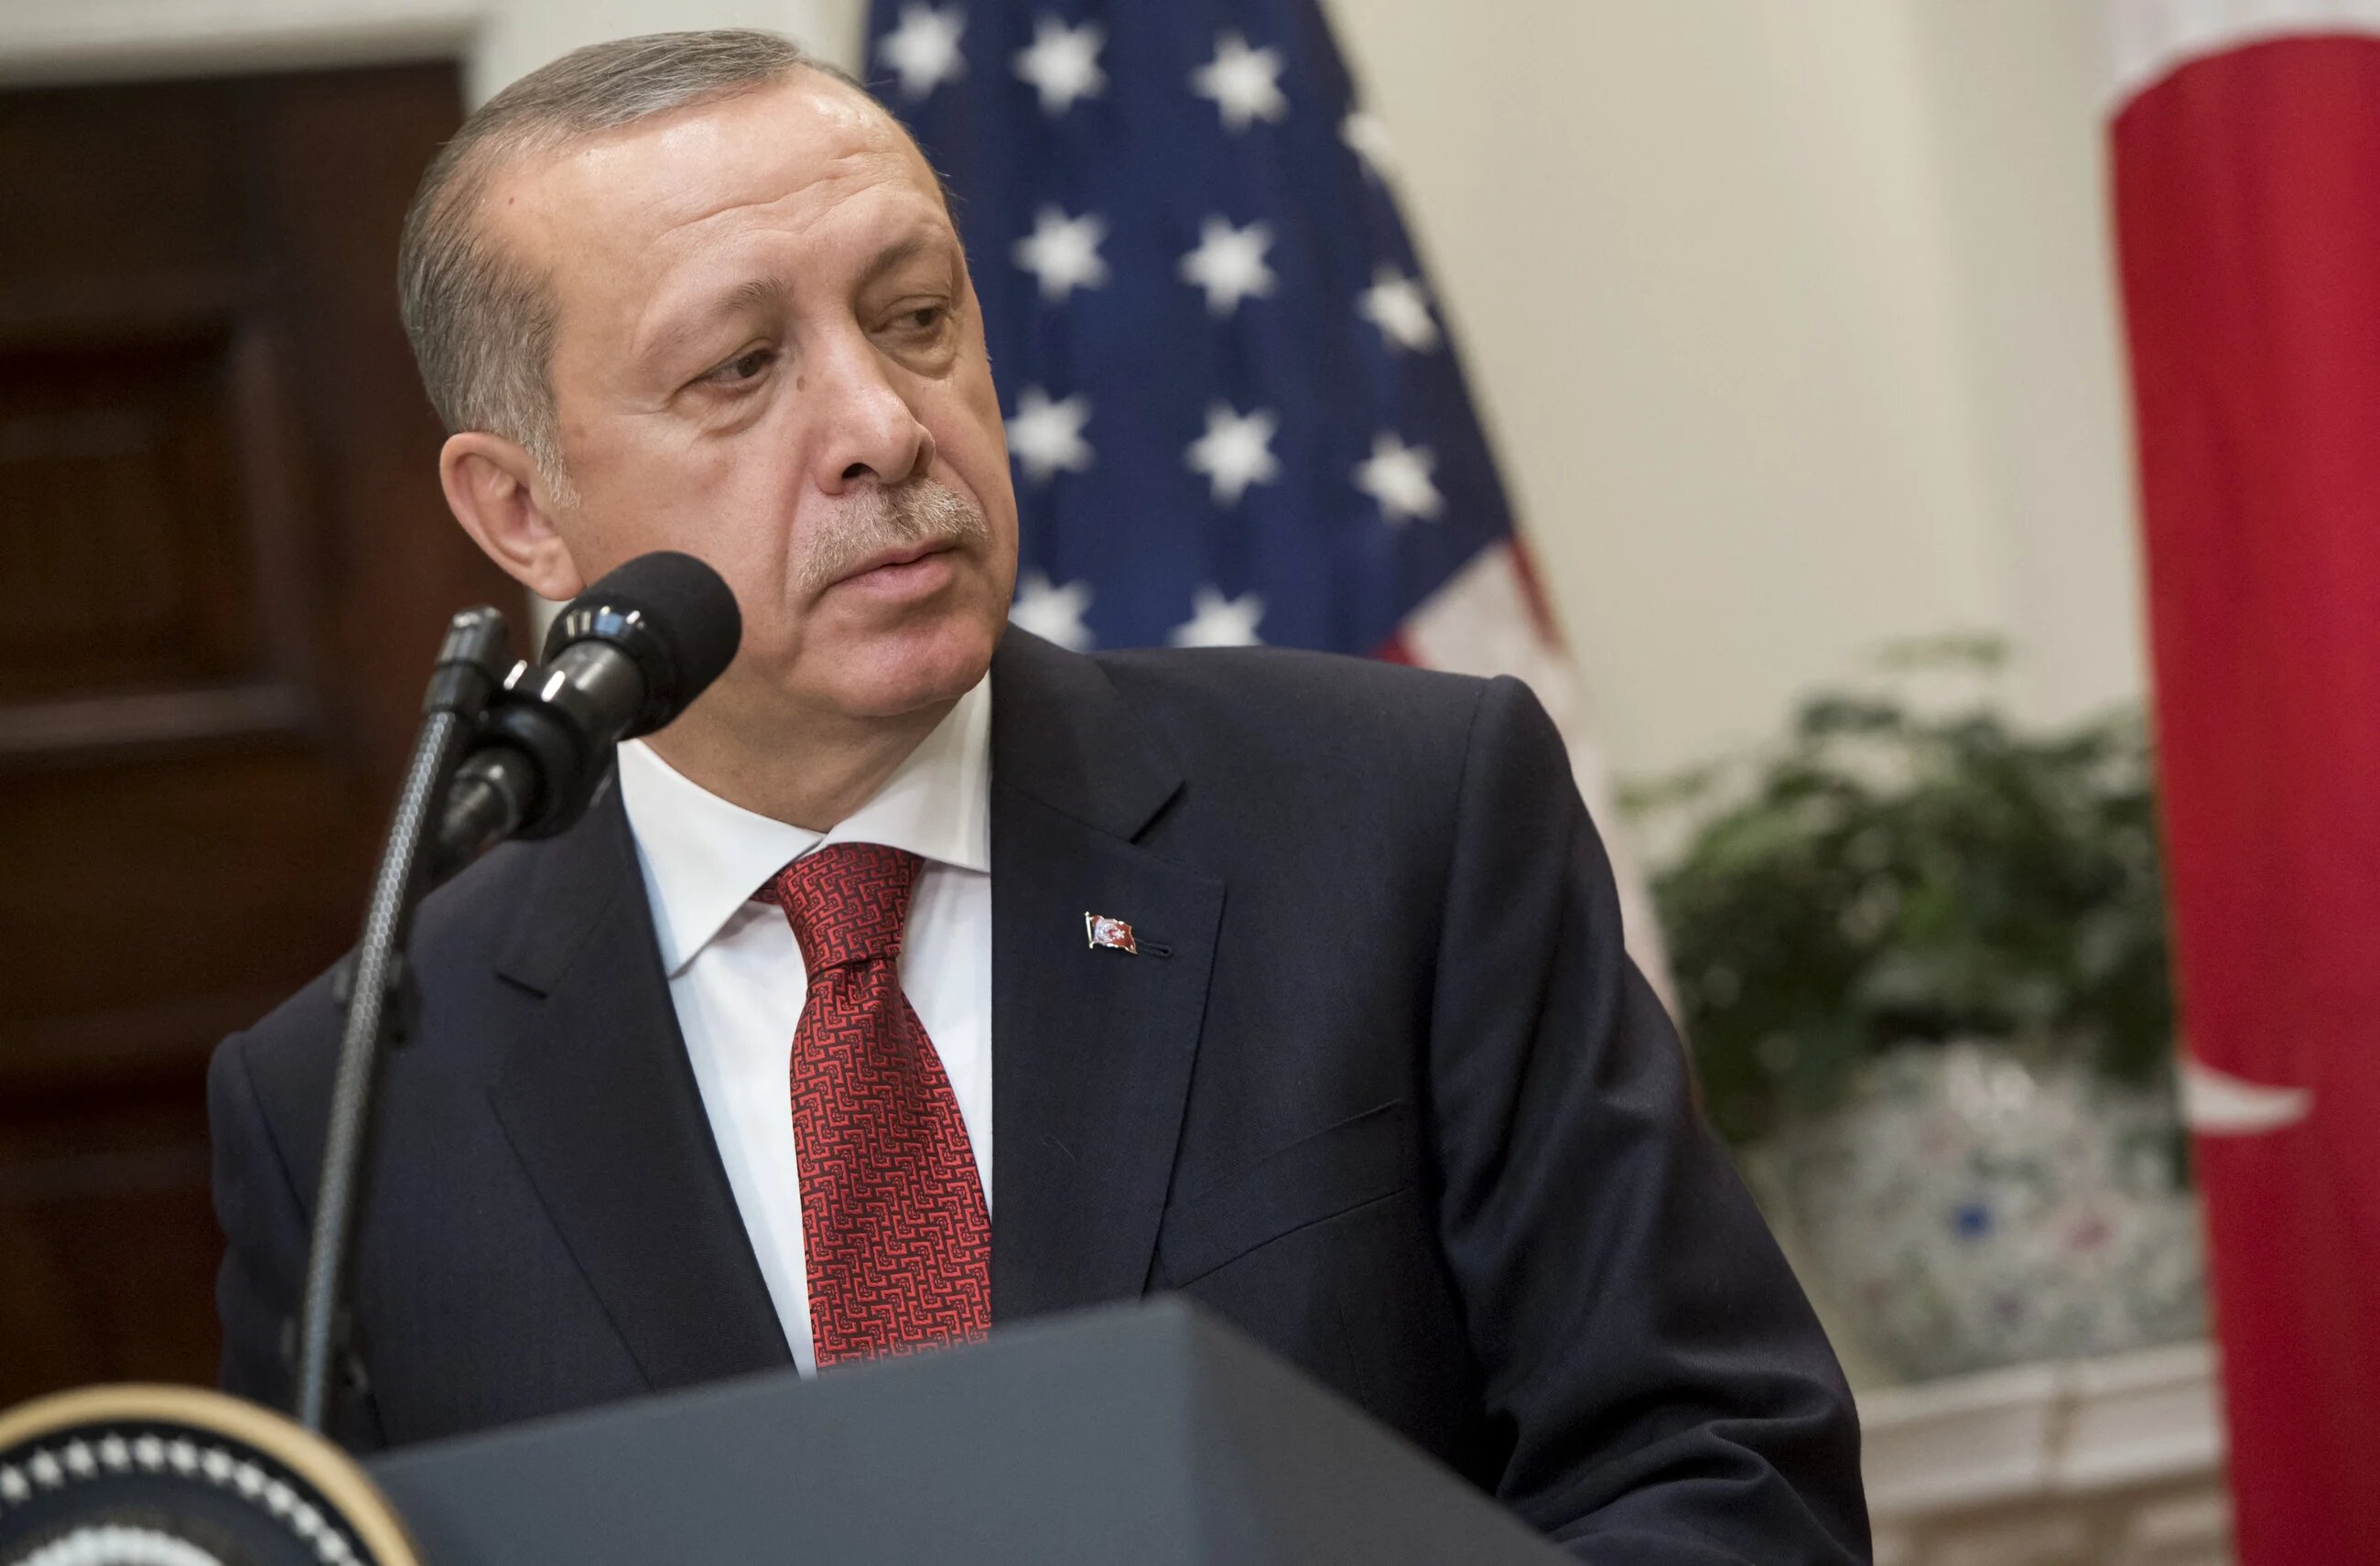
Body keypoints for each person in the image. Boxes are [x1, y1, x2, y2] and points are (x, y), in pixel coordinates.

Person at [210, 30, 1868, 1562]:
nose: (881, 425)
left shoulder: (1404, 824)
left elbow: (1723, 1478)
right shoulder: (359, 1102)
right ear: (521, 512)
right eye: (738, 367)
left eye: (916, 317)